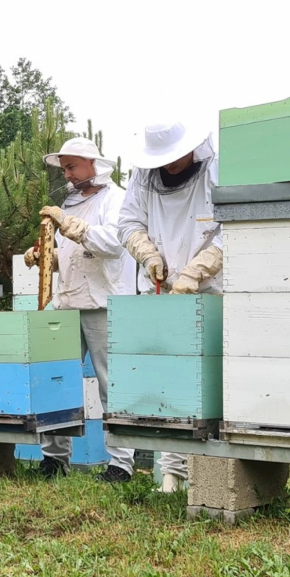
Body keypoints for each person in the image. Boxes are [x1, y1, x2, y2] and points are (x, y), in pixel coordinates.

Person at [118, 122, 222, 493]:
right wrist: (146, 253)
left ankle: (208, 473)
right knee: (169, 383)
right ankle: (171, 473)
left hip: (207, 290)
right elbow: (128, 221)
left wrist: (200, 267)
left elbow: (238, 223)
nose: (169, 164)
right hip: (161, 288)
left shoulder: (216, 167)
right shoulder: (143, 175)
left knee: (207, 384)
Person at [24, 137, 136, 482]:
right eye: (64, 169)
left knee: (111, 385)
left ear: (92, 163)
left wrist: (71, 226)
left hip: (104, 304)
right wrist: (47, 257)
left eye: (72, 167)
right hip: (68, 303)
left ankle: (121, 464)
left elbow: (113, 245)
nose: (68, 175)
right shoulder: (71, 203)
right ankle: (54, 459)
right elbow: (72, 255)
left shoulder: (115, 199)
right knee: (57, 380)